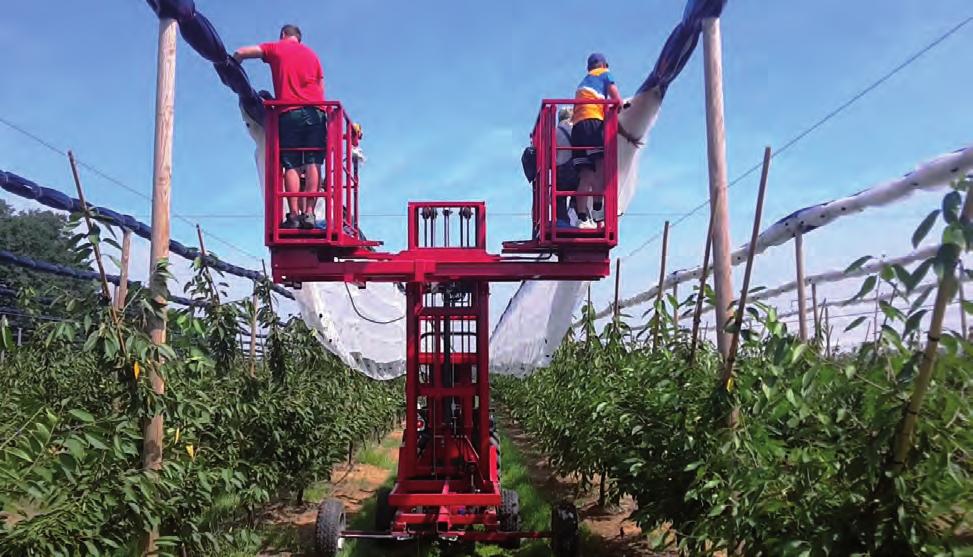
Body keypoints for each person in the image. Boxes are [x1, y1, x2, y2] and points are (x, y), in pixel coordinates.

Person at [234, 24, 325, 230]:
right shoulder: (313, 56)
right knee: (313, 163)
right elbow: (321, 88)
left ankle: (293, 215)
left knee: (291, 165)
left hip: (289, 112)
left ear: (283, 35)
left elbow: (242, 52)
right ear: (299, 38)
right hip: (316, 112)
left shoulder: (278, 47)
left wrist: (234, 65)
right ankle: (309, 213)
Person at [571, 52, 622, 229]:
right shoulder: (605, 74)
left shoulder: (583, 82)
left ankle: (582, 217)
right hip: (592, 121)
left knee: (585, 174)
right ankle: (599, 208)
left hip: (576, 127)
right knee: (601, 166)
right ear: (604, 65)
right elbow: (617, 100)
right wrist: (621, 107)